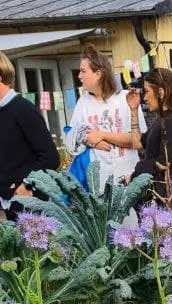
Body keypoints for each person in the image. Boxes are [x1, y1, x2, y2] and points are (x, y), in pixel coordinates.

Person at [66, 44, 143, 191]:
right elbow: (72, 139)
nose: (79, 76)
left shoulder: (127, 99)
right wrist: (93, 142)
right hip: (97, 186)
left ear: (99, 74)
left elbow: (136, 140)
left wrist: (101, 135)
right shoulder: (83, 102)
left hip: (128, 180)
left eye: (83, 71)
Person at [0, 51, 59, 219]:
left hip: (32, 205)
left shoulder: (24, 109)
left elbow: (50, 157)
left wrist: (27, 185)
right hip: (9, 204)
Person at [126, 68, 172, 202]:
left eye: (147, 91)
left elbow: (163, 164)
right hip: (157, 189)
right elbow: (137, 143)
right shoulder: (161, 121)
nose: (144, 98)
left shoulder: (170, 122)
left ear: (160, 92)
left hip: (165, 192)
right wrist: (133, 110)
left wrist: (135, 174)